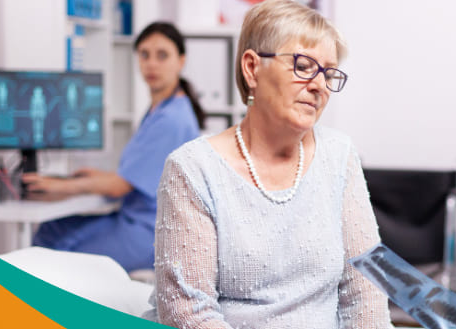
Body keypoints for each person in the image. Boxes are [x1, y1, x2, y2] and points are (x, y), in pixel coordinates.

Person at [146, 1, 393, 328]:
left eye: (329, 73)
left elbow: (366, 290)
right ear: (252, 68)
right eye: (304, 66)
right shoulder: (192, 169)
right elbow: (189, 313)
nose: (319, 85)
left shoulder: (339, 154)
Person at [21, 22, 204, 272]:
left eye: (162, 55)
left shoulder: (172, 118)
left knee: (57, 250)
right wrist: (96, 177)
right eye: (145, 54)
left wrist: (62, 186)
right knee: (52, 229)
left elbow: (120, 186)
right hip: (135, 218)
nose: (152, 63)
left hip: (151, 230)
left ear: (180, 61)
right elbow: (137, 176)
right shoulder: (160, 109)